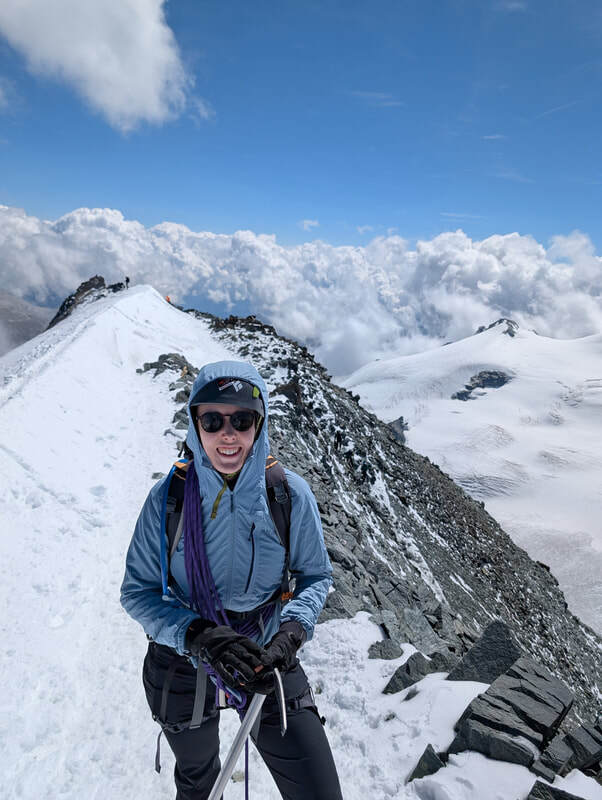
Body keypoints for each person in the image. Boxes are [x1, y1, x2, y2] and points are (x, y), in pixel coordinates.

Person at [121, 360, 342, 800]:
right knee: (200, 783)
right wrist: (198, 635)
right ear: (194, 424)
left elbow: (315, 574)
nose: (228, 434)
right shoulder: (169, 498)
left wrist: (293, 631)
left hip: (266, 652)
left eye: (242, 420)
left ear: (259, 426)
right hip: (185, 656)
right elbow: (138, 591)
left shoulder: (288, 494)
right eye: (212, 419)